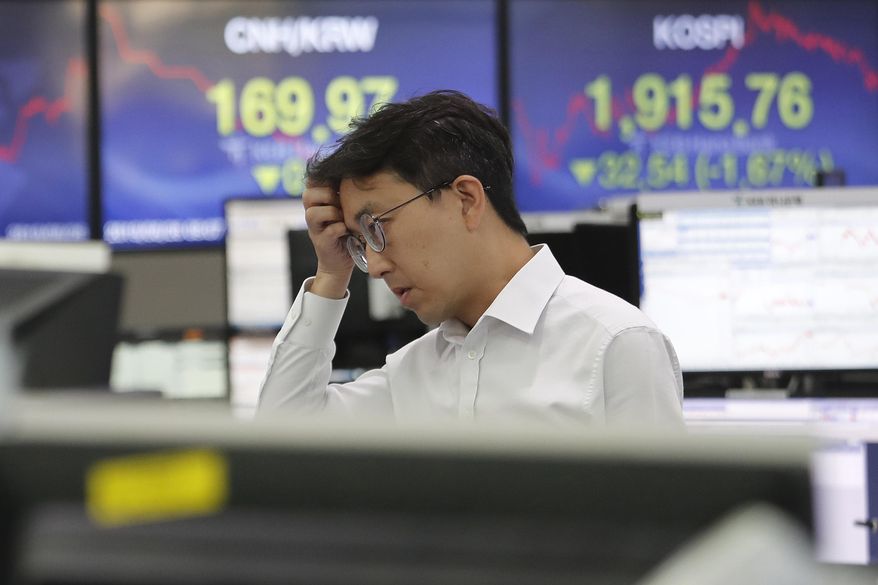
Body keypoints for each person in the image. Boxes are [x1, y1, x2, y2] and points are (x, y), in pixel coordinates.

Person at [259, 90, 683, 426]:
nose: (377, 266)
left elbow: (661, 510)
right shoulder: (411, 372)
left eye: (377, 227)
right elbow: (284, 440)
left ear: (466, 199)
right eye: (359, 242)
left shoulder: (616, 344)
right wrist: (331, 275)